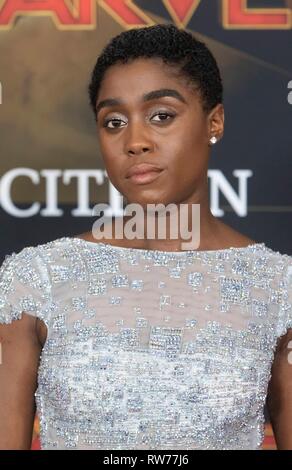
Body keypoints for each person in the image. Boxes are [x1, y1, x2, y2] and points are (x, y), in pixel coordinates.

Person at [0, 23, 291, 450]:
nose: (135, 141)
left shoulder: (279, 287)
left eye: (161, 116)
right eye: (113, 121)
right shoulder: (35, 279)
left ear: (215, 121)